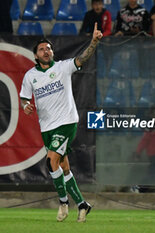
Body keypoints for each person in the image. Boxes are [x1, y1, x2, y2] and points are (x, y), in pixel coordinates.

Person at [19, 24, 103, 222]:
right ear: (36, 56)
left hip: (66, 122)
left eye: (48, 48)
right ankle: (82, 204)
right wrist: (25, 106)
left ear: (52, 52)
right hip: (46, 127)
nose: (46, 51)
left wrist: (94, 42)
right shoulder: (30, 76)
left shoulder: (62, 67)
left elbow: (81, 59)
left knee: (50, 161)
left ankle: (63, 202)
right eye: (42, 49)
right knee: (64, 167)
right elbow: (24, 97)